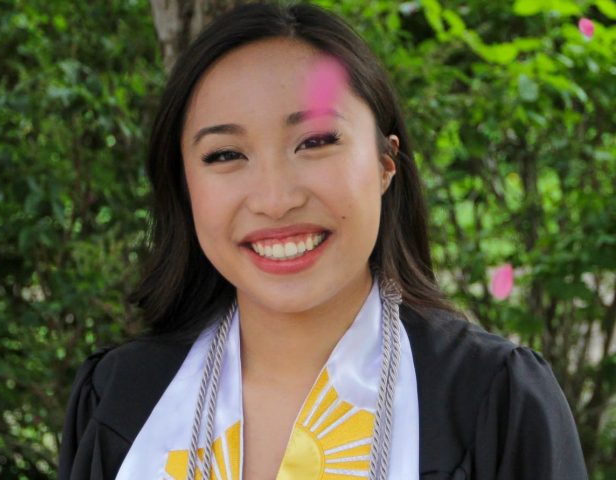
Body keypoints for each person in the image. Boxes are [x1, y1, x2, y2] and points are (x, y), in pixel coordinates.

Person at [57, 2, 588, 479]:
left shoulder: (492, 402)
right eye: (224, 154)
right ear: (185, 185)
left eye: (315, 142)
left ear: (386, 164)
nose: (274, 198)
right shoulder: (121, 398)